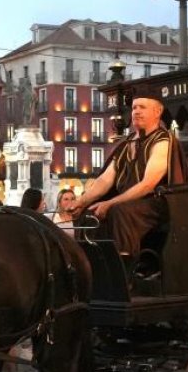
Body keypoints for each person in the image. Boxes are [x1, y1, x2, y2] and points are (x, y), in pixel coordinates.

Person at [68, 92, 174, 268]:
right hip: (127, 202)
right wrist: (81, 201)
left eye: (143, 107)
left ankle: (124, 270)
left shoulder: (163, 140)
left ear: (158, 111)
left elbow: (148, 184)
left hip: (154, 203)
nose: (136, 112)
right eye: (134, 108)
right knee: (88, 213)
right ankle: (92, 266)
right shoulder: (127, 144)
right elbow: (104, 180)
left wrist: (110, 203)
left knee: (118, 211)